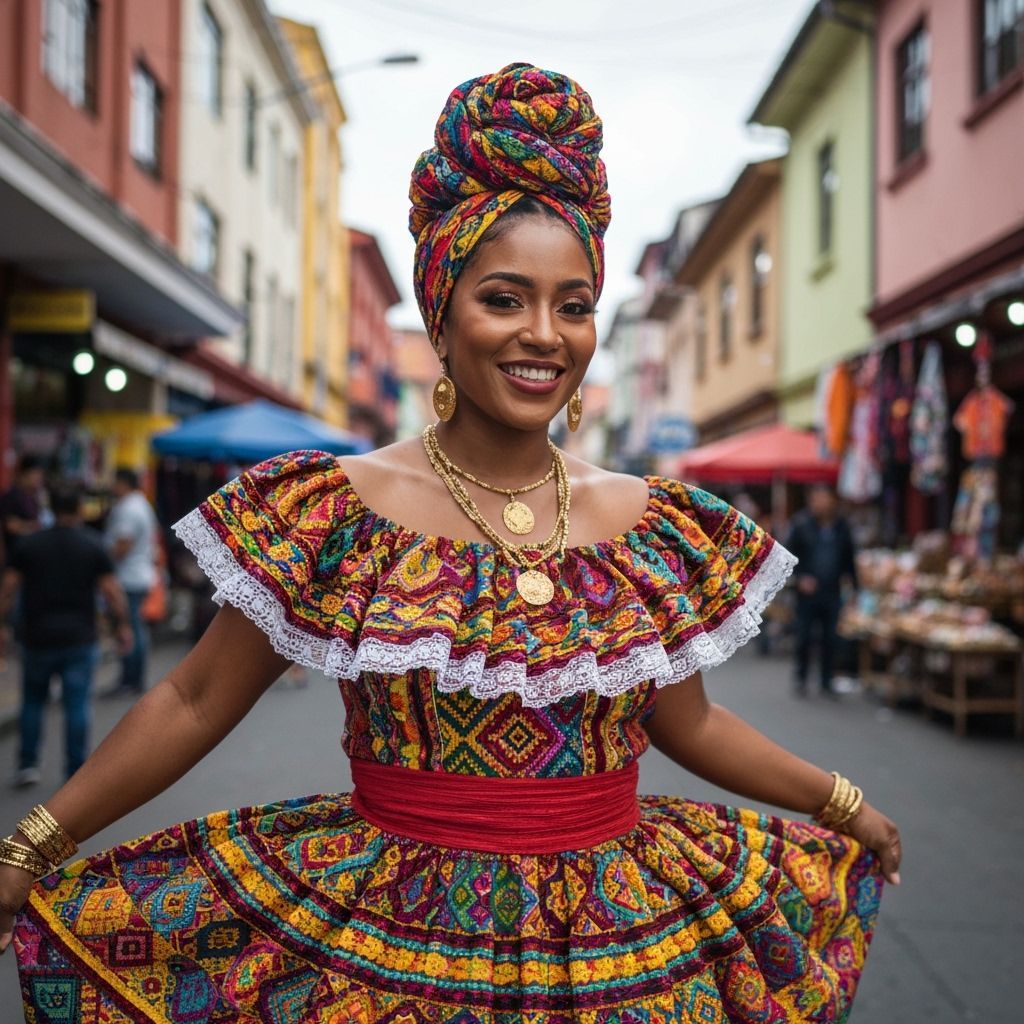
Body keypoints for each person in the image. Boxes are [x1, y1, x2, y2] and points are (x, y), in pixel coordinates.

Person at [2, 65, 900, 1023]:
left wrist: (840, 803)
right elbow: (193, 696)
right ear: (441, 307)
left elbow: (692, 725)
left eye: (575, 304)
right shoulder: (338, 511)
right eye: (505, 298)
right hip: (385, 946)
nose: (545, 337)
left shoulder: (648, 525)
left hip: (616, 952)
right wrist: (37, 843)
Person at [0, 486, 133, 787]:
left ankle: (28, 764)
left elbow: (8, 590)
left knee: (33, 700)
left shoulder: (29, 544)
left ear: (52, 507)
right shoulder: (93, 545)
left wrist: (2, 626)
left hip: (36, 636)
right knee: (77, 703)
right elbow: (112, 592)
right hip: (79, 637)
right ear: (79, 509)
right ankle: (75, 769)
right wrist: (122, 625)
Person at [785, 484, 859, 696]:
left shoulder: (841, 526)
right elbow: (788, 559)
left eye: (823, 498)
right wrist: (800, 579)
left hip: (832, 590)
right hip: (807, 593)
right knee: (804, 636)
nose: (820, 503)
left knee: (830, 637)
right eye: (816, 498)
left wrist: (854, 588)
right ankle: (801, 677)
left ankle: (827, 680)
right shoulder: (801, 525)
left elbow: (849, 558)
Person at [104, 467, 159, 695]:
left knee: (130, 628)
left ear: (123, 483)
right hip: (137, 574)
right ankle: (132, 678)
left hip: (129, 576)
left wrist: (102, 563)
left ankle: (130, 679)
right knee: (134, 628)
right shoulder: (141, 504)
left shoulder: (129, 508)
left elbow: (122, 545)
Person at [0, 455, 46, 567]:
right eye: (36, 474)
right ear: (24, 474)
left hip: (29, 557)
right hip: (14, 557)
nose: (39, 479)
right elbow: (9, 524)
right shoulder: (11, 496)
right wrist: (32, 527)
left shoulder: (33, 498)